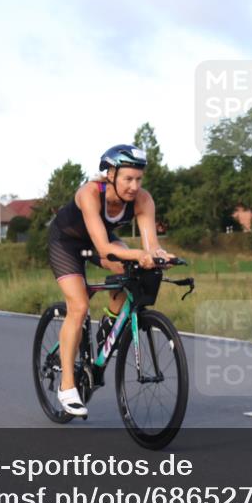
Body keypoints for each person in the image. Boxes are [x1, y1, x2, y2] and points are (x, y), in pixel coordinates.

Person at [46, 144, 175, 416]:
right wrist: (139, 254)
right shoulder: (90, 193)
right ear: (111, 174)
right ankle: (67, 386)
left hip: (98, 241)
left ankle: (108, 324)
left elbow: (151, 245)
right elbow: (105, 249)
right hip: (67, 242)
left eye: (139, 179)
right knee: (79, 307)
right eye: (128, 178)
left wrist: (160, 255)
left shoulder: (143, 200)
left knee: (131, 271)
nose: (134, 186)